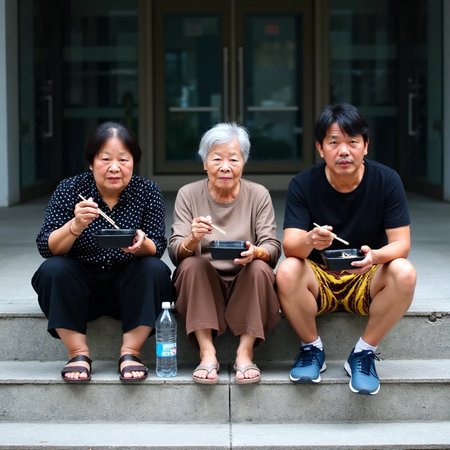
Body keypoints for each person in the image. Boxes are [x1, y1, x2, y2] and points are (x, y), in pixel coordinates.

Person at [276, 103, 417, 395]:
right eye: (334, 142)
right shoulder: (303, 184)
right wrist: (310, 241)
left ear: (366, 146)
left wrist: (377, 257)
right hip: (320, 280)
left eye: (353, 142)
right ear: (320, 148)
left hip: (368, 275)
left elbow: (402, 244)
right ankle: (312, 349)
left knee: (404, 272)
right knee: (288, 269)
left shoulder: (386, 180)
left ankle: (363, 353)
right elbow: (290, 246)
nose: (344, 151)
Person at [32, 121, 173, 383]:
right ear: (91, 162)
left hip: (129, 288)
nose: (114, 168)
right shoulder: (70, 189)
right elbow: (47, 247)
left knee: (155, 269)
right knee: (53, 270)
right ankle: (78, 353)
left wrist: (141, 243)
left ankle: (131, 352)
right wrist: (74, 226)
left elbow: (158, 247)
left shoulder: (147, 191)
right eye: (105, 159)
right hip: (80, 287)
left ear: (133, 162)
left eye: (123, 159)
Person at [168, 122, 281, 384]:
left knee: (261, 268)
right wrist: (193, 238)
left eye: (233, 158)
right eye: (216, 159)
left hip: (245, 278)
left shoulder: (258, 194)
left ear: (244, 162)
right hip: (205, 282)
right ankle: (207, 352)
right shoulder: (189, 194)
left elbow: (273, 248)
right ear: (204, 163)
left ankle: (245, 351)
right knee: (190, 266)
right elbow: (175, 251)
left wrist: (257, 253)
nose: (225, 166)